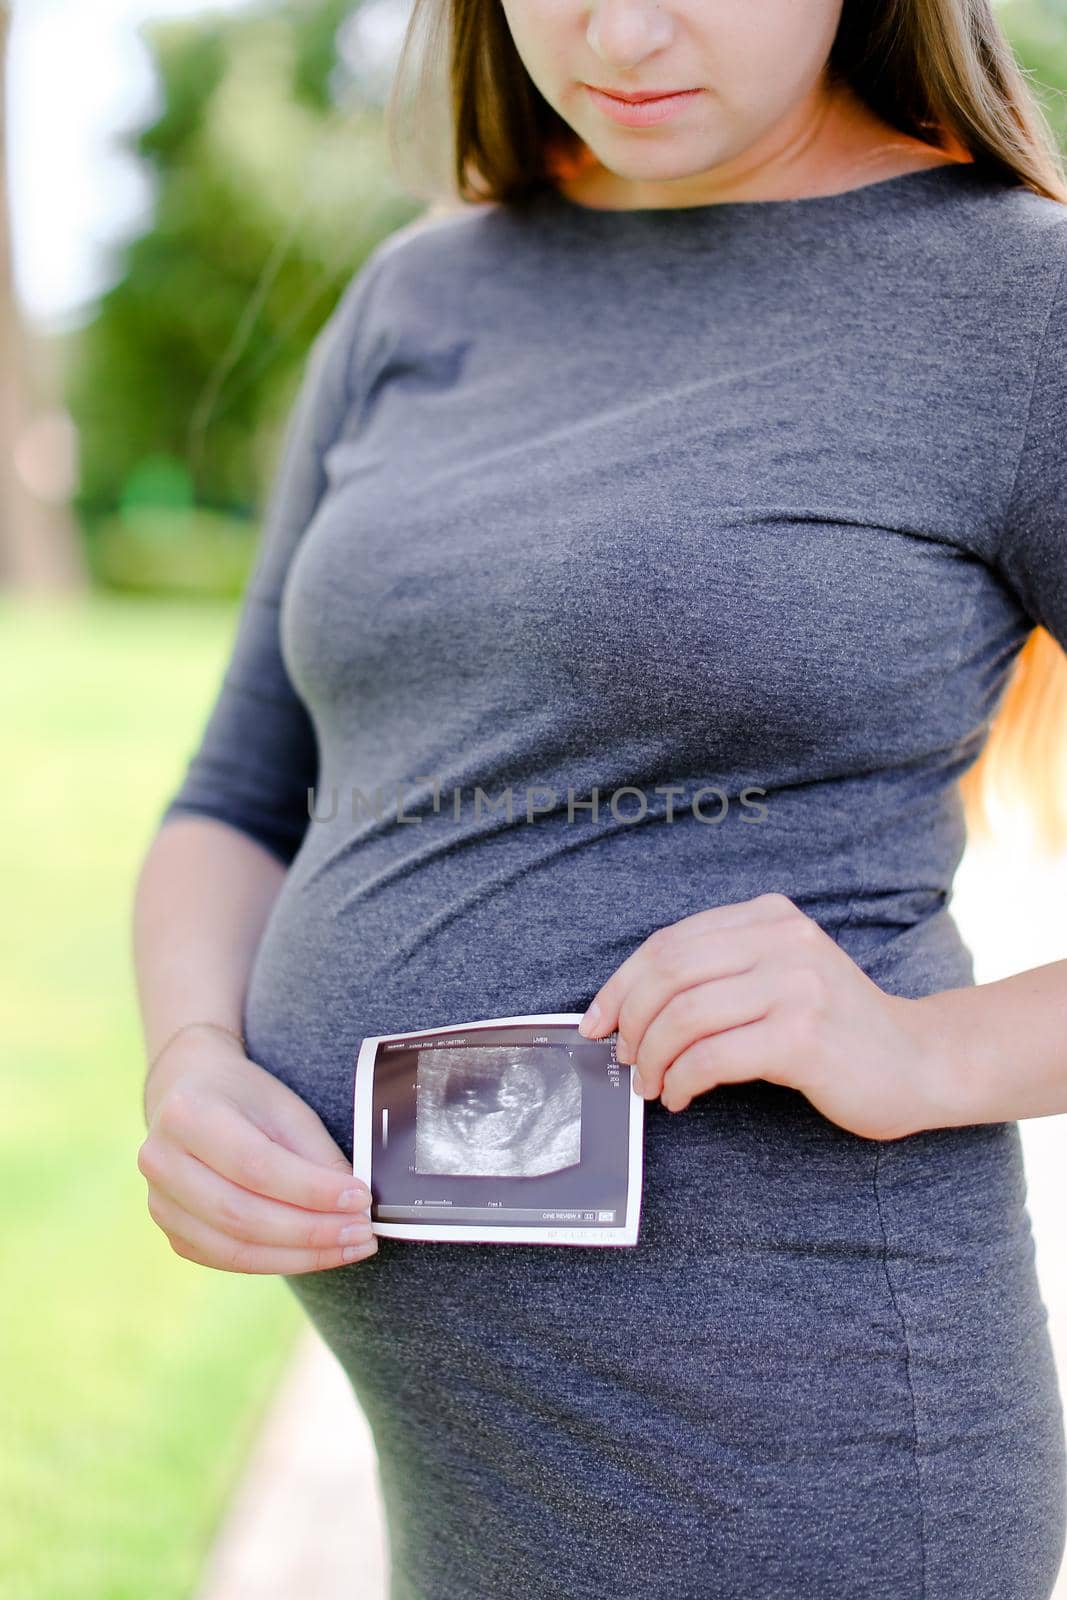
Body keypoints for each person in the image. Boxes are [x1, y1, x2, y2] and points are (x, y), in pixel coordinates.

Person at [131, 0, 1067, 1593]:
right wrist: (193, 1059)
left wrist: (917, 1050)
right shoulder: (420, 294)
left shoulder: (1017, 303)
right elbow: (238, 793)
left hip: (806, 1477)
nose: (619, 30)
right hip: (470, 1480)